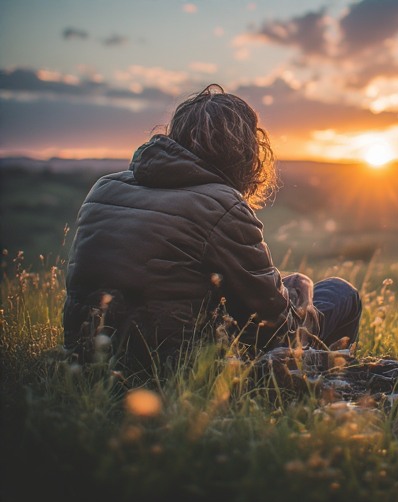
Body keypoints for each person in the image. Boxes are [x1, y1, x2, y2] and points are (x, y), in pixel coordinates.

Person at [63, 84, 361, 373]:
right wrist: (301, 293)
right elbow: (275, 329)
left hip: (89, 359)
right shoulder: (222, 204)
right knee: (341, 293)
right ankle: (327, 386)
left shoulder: (104, 187)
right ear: (245, 151)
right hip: (174, 370)